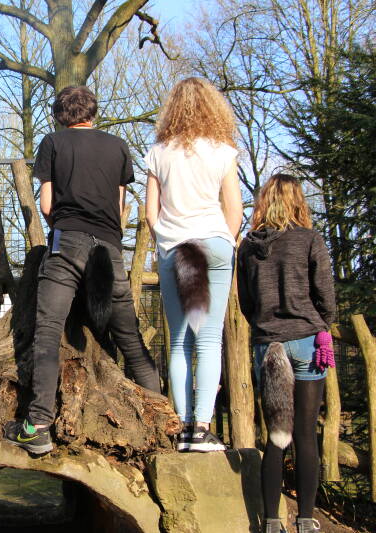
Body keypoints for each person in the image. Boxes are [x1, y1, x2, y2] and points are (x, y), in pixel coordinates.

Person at [3, 85, 161, 455]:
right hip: (109, 250)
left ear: (60, 115)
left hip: (67, 245)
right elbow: (119, 208)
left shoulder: (53, 143)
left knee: (47, 332)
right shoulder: (118, 146)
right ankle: (160, 426)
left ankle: (37, 426)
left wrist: (66, 222)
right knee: (131, 341)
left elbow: (46, 205)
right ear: (93, 112)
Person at [144, 77, 242, 453]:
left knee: (180, 341)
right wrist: (226, 242)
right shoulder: (223, 151)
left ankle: (185, 430)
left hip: (175, 249)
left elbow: (151, 212)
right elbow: (234, 209)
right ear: (213, 108)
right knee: (210, 338)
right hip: (214, 245)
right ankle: (203, 428)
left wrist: (166, 243)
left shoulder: (158, 153)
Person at [237, 174, 334, 533]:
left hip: (268, 346)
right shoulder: (310, 239)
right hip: (307, 340)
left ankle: (271, 521)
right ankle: (306, 520)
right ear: (298, 201)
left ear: (264, 201)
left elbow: (246, 302)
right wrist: (325, 322)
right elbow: (325, 292)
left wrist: (265, 327)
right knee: (305, 434)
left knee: (276, 435)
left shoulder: (247, 246)